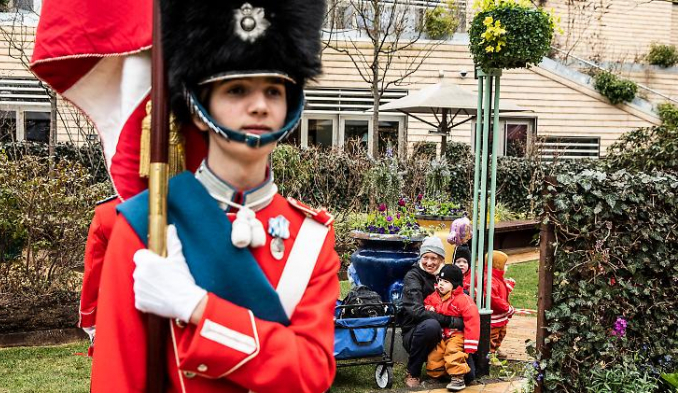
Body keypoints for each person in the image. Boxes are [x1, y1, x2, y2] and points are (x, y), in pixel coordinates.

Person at [90, 1, 340, 392]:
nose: (259, 106)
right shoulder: (145, 225)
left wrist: (197, 308)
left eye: (273, 91)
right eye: (237, 89)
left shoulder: (312, 238)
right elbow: (116, 379)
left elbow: (311, 372)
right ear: (196, 107)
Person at [398, 236, 464, 389]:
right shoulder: (413, 276)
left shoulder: (447, 274)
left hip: (448, 333)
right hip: (416, 332)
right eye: (425, 257)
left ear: (441, 259)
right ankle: (413, 372)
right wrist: (451, 321)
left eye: (434, 258)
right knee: (431, 326)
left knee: (471, 375)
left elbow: (461, 294)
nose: (429, 262)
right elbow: (417, 311)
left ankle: (454, 369)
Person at [423, 265, 480, 392]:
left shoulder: (463, 300)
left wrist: (471, 344)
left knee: (453, 352)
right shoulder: (435, 296)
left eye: (446, 282)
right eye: (439, 280)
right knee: (436, 353)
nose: (441, 284)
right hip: (442, 333)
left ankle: (458, 378)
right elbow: (427, 302)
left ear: (454, 284)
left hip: (457, 334)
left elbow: (472, 321)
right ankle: (435, 375)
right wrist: (428, 308)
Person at [78, 195, 120, 357]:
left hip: (123, 316)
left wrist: (90, 319)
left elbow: (94, 273)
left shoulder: (108, 213)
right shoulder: (198, 201)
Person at [487, 250, 516, 360]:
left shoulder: (498, 278)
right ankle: (490, 356)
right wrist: (507, 308)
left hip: (501, 317)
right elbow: (494, 298)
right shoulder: (490, 280)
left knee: (501, 333)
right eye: (505, 264)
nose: (506, 266)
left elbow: (501, 292)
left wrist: (508, 286)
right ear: (497, 265)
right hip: (494, 317)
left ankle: (496, 349)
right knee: (492, 336)